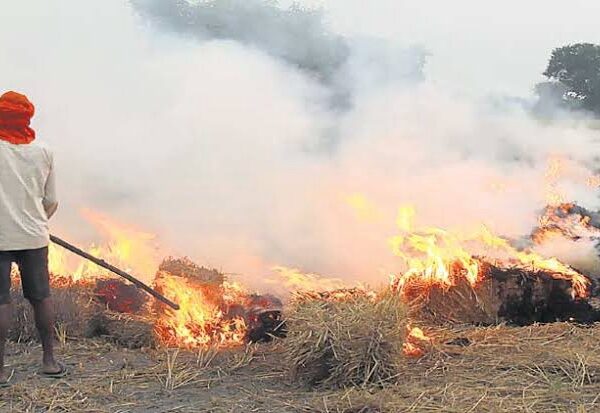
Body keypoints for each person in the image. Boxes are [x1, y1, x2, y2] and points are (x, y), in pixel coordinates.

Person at [0, 91, 66, 387]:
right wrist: (35, 222)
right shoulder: (43, 151)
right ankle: (49, 361)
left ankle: (0, 370)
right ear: (27, 117)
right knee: (40, 297)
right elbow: (51, 201)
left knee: (1, 302)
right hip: (34, 237)